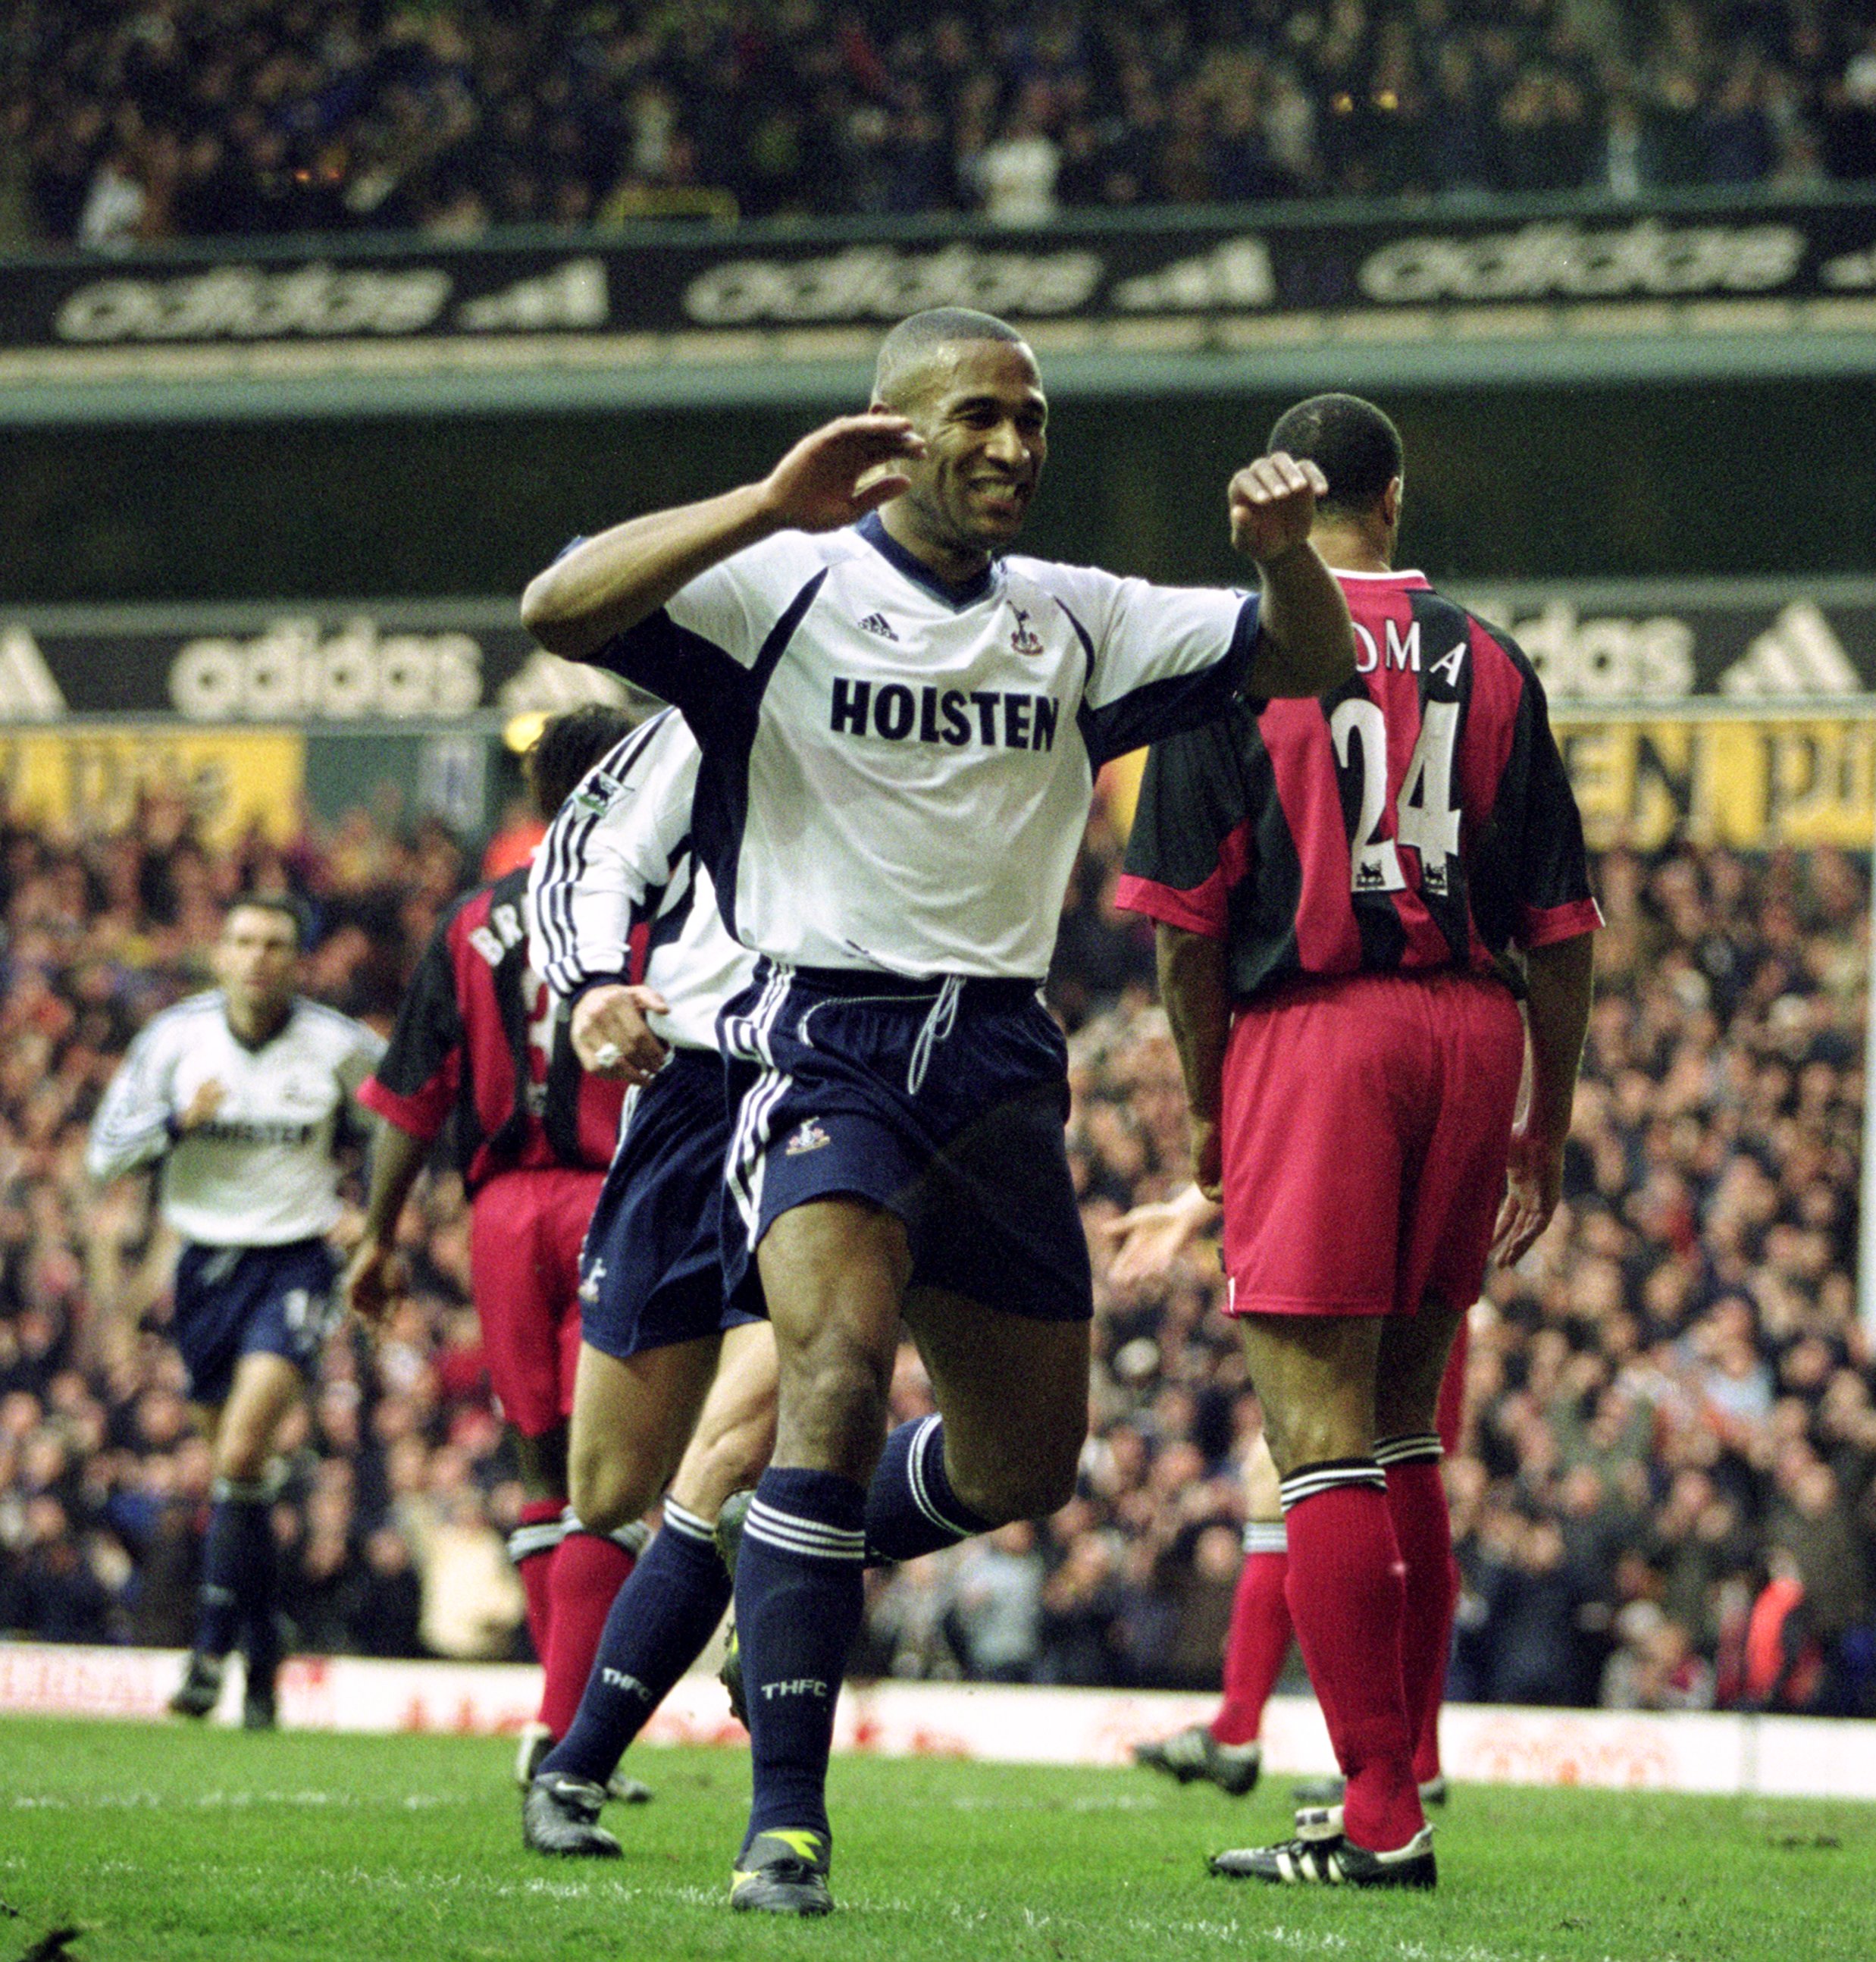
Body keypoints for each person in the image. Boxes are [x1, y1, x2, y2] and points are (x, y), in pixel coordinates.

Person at [518, 304, 1355, 1915]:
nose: (1014, 448)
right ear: (893, 428)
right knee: (823, 1371)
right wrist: (770, 499)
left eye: (1032, 422)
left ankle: (790, 1562)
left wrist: (1282, 555)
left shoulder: (1078, 617)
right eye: (980, 416)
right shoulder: (784, 584)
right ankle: (785, 1823)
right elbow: (558, 603)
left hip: (995, 1068)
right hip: (817, 1044)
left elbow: (1306, 658)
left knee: (1024, 1460)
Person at [1114, 392, 1599, 1888]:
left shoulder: (1232, 660)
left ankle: (1378, 1808)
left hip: (1316, 1033)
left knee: (1314, 1442)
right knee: (1402, 1430)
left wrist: (1210, 1122)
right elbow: (1567, 927)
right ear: (1390, 500)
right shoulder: (1494, 658)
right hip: (1469, 1030)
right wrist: (1547, 1121)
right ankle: (1413, 1758)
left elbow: (1185, 940)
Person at [345, 706, 645, 1791]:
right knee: (616, 1483)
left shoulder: (472, 922)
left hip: (502, 1213)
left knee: (542, 1469)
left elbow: (410, 1096)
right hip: (620, 1200)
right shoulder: (662, 914)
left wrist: (377, 1238)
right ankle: (571, 1737)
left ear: (531, 800)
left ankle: (562, 1724)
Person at [512, 704, 782, 1857]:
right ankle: (761, 1550)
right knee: (612, 1483)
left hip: (834, 1083)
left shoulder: (958, 688)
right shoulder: (711, 708)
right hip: (687, 1093)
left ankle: (580, 1766)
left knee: (765, 1432)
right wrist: (587, 991)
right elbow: (576, 856)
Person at [86, 894, 384, 1729]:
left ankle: (211, 1651)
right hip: (205, 1266)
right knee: (237, 1474)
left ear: (299, 959)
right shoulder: (175, 1040)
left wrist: (376, 1217)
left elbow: (409, 1114)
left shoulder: (336, 1045)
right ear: (219, 953)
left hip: (295, 1259)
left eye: (276, 943)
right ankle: (264, 1644)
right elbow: (105, 1151)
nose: (258, 956)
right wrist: (180, 1122)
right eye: (244, 940)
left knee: (247, 1447)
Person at [1110, 1189, 1463, 1811]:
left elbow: (1301, 1116)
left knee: (1329, 1469)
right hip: (1419, 1251)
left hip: (1366, 1255)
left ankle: (1372, 1760)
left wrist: (1196, 1204)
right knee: (1359, 1471)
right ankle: (1400, 1756)